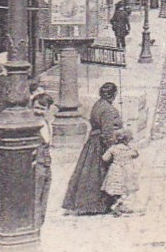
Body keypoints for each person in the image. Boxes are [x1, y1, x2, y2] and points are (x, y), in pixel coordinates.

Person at [62, 82, 123, 215]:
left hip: (92, 142)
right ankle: (99, 205)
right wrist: (111, 149)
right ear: (112, 95)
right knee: (100, 174)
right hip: (100, 144)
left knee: (88, 174)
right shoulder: (108, 109)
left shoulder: (98, 104)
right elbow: (107, 132)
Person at [31, 91, 56, 226]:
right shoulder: (30, 125)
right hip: (36, 165)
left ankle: (39, 224)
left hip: (46, 164)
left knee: (44, 197)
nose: (38, 111)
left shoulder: (47, 123)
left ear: (48, 109)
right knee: (35, 198)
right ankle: (34, 228)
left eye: (42, 108)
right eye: (36, 108)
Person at [101, 129, 140, 215]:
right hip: (127, 171)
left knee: (115, 189)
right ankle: (119, 205)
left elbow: (105, 158)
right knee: (125, 190)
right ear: (127, 140)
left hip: (116, 170)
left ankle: (117, 205)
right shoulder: (128, 149)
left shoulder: (113, 148)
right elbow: (135, 155)